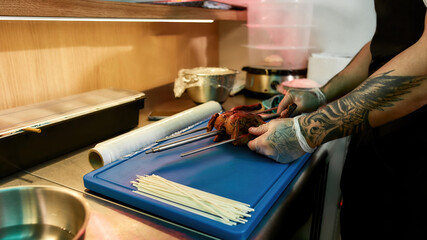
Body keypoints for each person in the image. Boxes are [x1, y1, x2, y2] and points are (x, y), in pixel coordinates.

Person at [247, 0, 427, 239]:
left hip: (416, 154)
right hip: (375, 140)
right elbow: (387, 43)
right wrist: (323, 92)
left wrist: (307, 131)